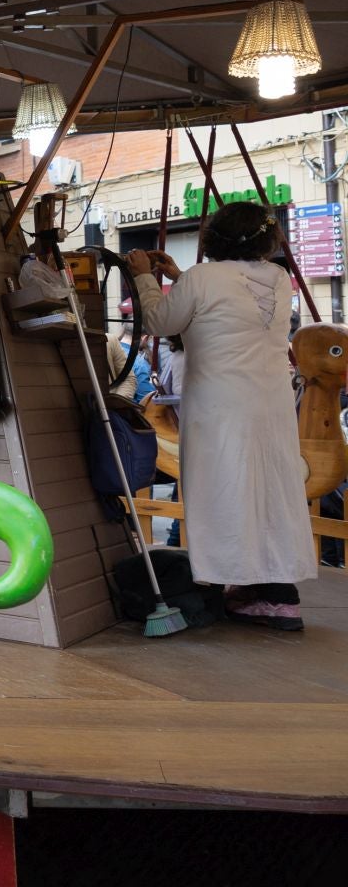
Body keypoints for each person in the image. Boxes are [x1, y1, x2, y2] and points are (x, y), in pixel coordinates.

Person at [130, 200, 316, 631]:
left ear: (213, 237)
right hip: (269, 405)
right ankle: (274, 592)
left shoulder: (203, 278)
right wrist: (179, 278)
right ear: (266, 241)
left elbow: (159, 321)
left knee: (224, 488)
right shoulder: (277, 277)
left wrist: (144, 276)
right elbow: (230, 301)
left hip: (219, 406)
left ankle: (239, 585)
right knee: (269, 490)